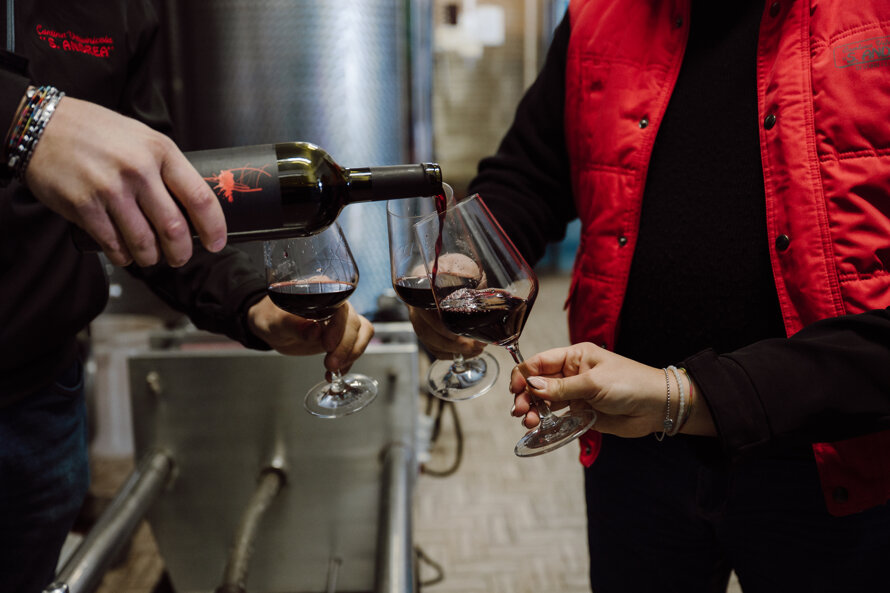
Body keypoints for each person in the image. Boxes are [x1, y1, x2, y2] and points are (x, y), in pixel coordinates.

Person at [410, 1, 890, 591]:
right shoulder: (598, 18)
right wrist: (470, 260)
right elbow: (530, 174)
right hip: (633, 444)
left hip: (834, 458)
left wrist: (683, 395)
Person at [1, 3, 373, 592]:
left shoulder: (119, 11)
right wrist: (22, 118)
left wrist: (252, 303)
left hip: (40, 401)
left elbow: (162, 203)